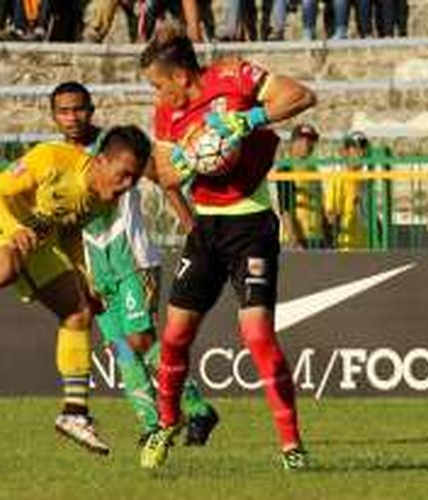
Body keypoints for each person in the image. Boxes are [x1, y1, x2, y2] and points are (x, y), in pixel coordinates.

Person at [0, 126, 152, 455]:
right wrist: (14, 228)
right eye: (124, 175)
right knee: (4, 266)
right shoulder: (51, 159)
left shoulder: (106, 201)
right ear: (101, 160)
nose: (128, 185)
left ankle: (74, 415)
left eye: (135, 179)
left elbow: (70, 232)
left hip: (36, 242)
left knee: (78, 312)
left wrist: (83, 274)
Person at [138, 21, 316, 469]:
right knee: (176, 335)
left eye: (160, 85)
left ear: (180, 75)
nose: (158, 96)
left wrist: (248, 119)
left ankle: (292, 447)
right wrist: (188, 156)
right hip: (206, 231)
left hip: (251, 226)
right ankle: (165, 424)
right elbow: (166, 176)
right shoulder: (167, 115)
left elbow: (301, 96)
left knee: (257, 336)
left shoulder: (233, 77)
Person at [49, 81, 219, 445]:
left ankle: (195, 406)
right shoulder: (57, 158)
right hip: (96, 270)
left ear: (91, 110)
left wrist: (192, 226)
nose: (71, 117)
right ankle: (152, 426)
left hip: (133, 261)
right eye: (63, 110)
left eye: (78, 108)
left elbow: (165, 180)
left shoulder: (116, 146)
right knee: (123, 348)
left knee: (140, 340)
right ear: (53, 116)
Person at [279, 123, 329, 250]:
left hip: (317, 238)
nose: (307, 144)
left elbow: (319, 204)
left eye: (311, 140)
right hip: (297, 239)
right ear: (293, 142)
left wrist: (327, 235)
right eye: (302, 139)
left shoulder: (313, 169)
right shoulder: (286, 169)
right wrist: (294, 240)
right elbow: (285, 209)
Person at [325, 131, 370, 251]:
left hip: (365, 243)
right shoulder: (337, 178)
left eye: (363, 149)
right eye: (355, 149)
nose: (360, 154)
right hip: (345, 244)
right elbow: (331, 214)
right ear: (345, 152)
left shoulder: (366, 179)